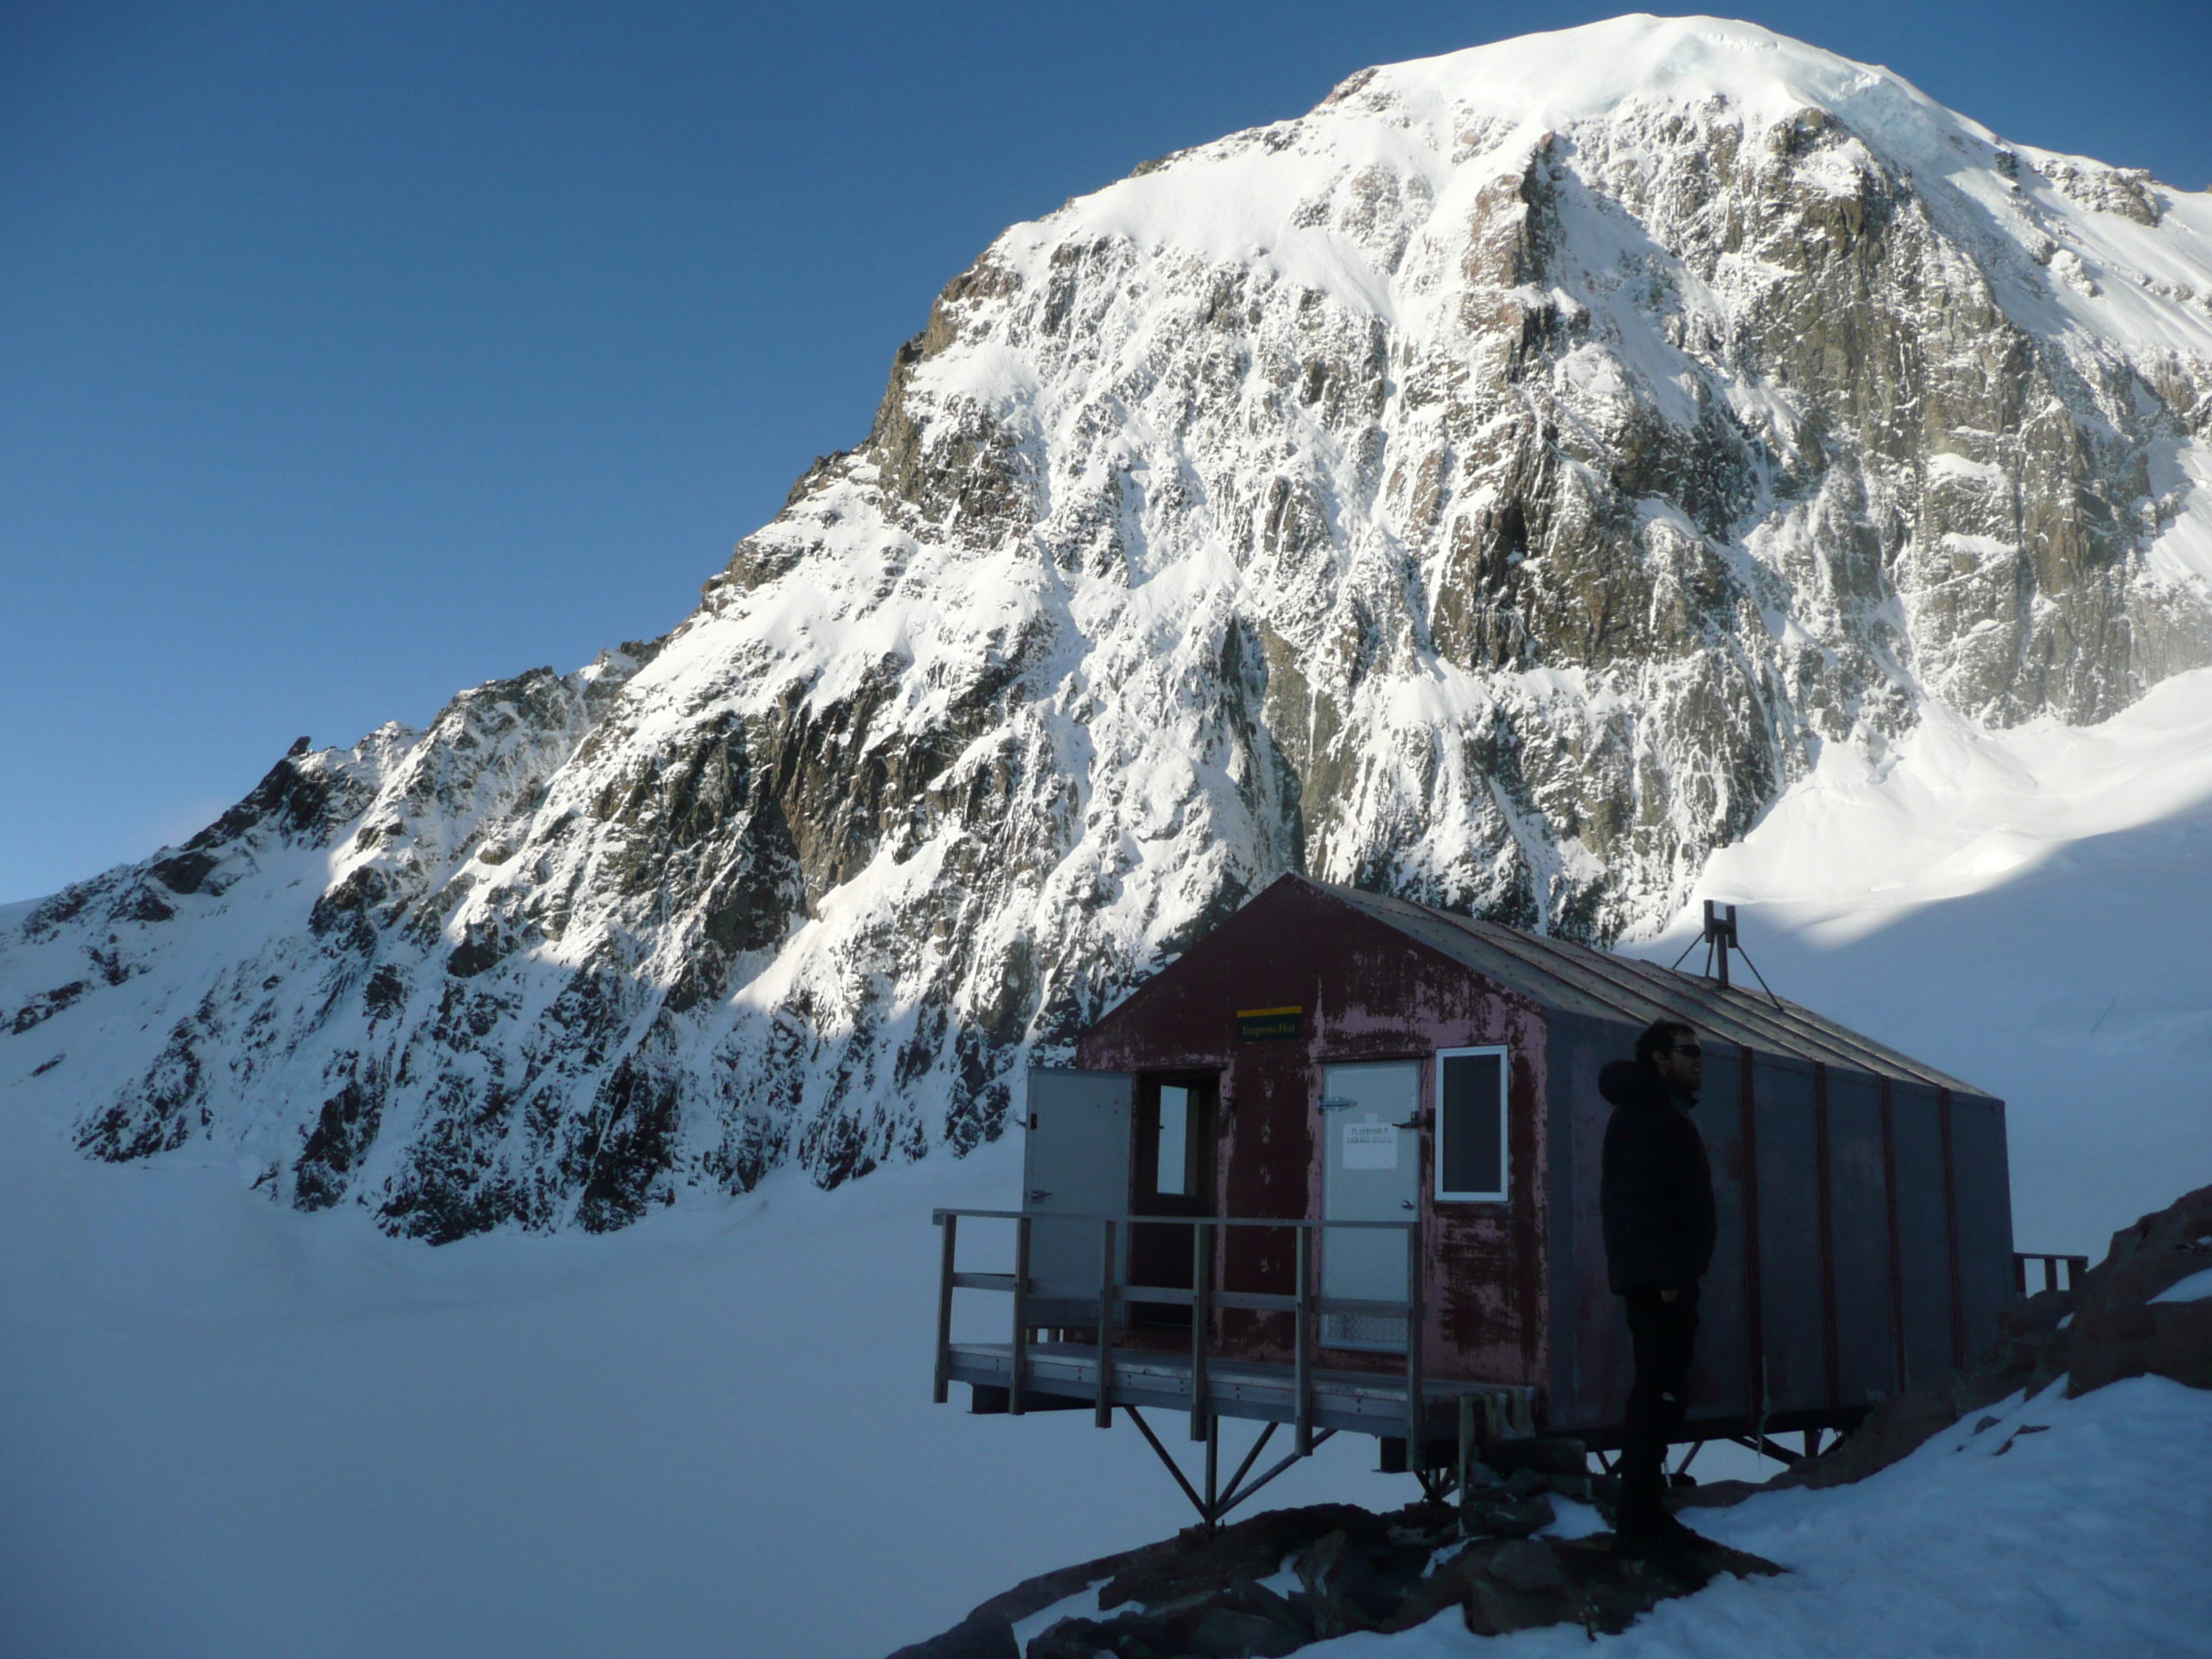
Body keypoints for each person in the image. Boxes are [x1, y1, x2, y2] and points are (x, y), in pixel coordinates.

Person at [1599, 1017, 1717, 1551]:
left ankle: (1642, 1507)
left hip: (1662, 1277)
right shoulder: (1648, 1117)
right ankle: (1640, 1513)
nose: (1697, 1061)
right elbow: (1641, 1203)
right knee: (1658, 1393)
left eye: (1699, 1052)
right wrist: (1669, 1276)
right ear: (1658, 1060)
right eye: (1687, 1051)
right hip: (1660, 1283)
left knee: (1662, 1392)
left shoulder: (1659, 1113)